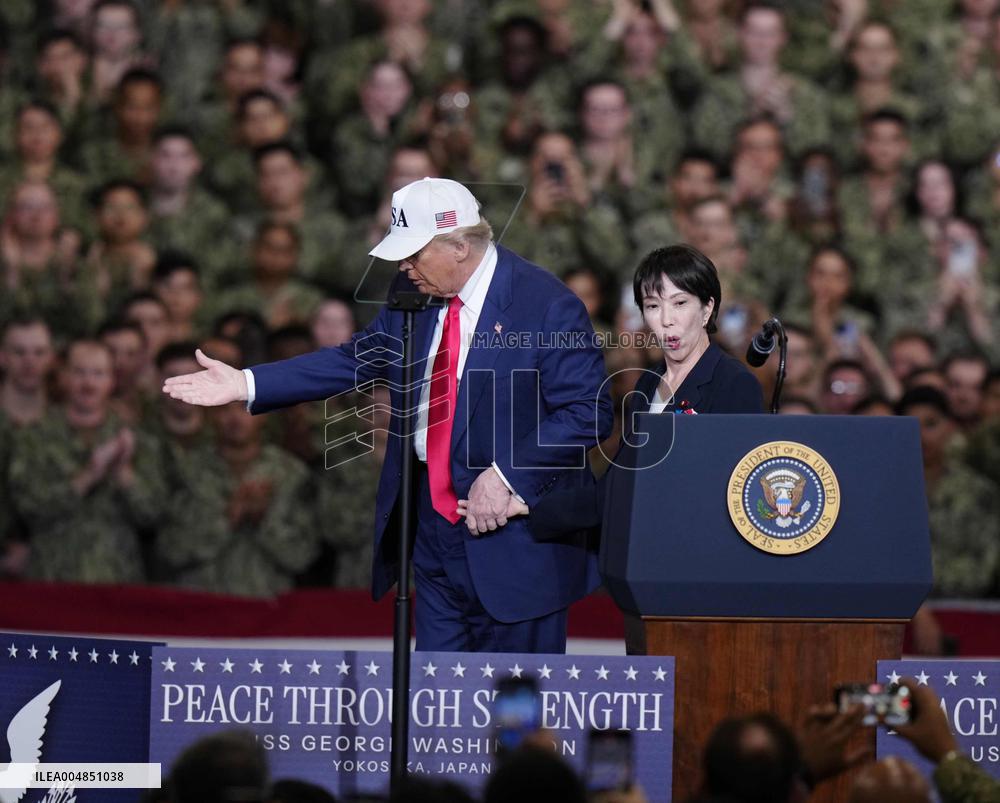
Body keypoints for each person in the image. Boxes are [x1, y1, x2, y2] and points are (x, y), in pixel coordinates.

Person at [164, 177, 612, 653]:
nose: (403, 266)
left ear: (460, 246)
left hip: (515, 539)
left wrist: (506, 477)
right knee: (436, 694)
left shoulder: (546, 305)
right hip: (431, 532)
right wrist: (247, 383)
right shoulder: (413, 292)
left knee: (517, 697)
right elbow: (354, 359)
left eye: (413, 254)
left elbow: (588, 410)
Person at [526, 246, 763, 580]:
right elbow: (619, 486)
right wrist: (531, 507)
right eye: (652, 306)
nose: (666, 319)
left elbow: (737, 493)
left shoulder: (733, 382)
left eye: (680, 303)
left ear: (707, 308)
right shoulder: (647, 383)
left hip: (704, 569)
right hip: (645, 566)